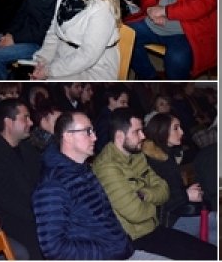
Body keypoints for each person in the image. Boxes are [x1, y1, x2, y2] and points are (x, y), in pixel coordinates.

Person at [93, 108, 217, 259]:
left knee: (210, 252)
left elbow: (163, 188)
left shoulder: (137, 155)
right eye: (137, 132)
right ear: (120, 136)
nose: (143, 136)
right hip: (134, 239)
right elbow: (136, 213)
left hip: (153, 228)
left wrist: (146, 194)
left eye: (142, 130)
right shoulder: (107, 167)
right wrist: (157, 203)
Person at [31, 110, 140, 260]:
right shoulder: (52, 185)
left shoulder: (83, 170)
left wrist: (121, 242)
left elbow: (104, 218)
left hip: (123, 250)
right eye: (88, 131)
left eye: (93, 131)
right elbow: (53, 248)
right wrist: (108, 252)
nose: (95, 137)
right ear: (68, 136)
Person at [32, 0, 120, 81]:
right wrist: (42, 60)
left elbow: (88, 55)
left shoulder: (102, 6)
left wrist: (50, 71)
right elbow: (54, 31)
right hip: (65, 57)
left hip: (95, 67)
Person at [0, 99, 43, 259]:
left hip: (33, 214)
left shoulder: (28, 148)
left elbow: (41, 181)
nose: (31, 122)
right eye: (25, 118)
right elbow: (3, 199)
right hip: (9, 221)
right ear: (8, 122)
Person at [142, 113, 212, 244]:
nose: (181, 132)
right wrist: (186, 195)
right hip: (167, 221)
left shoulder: (165, 155)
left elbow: (172, 189)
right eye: (176, 128)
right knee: (214, 222)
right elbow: (157, 200)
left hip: (175, 214)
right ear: (162, 131)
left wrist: (187, 192)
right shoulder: (154, 161)